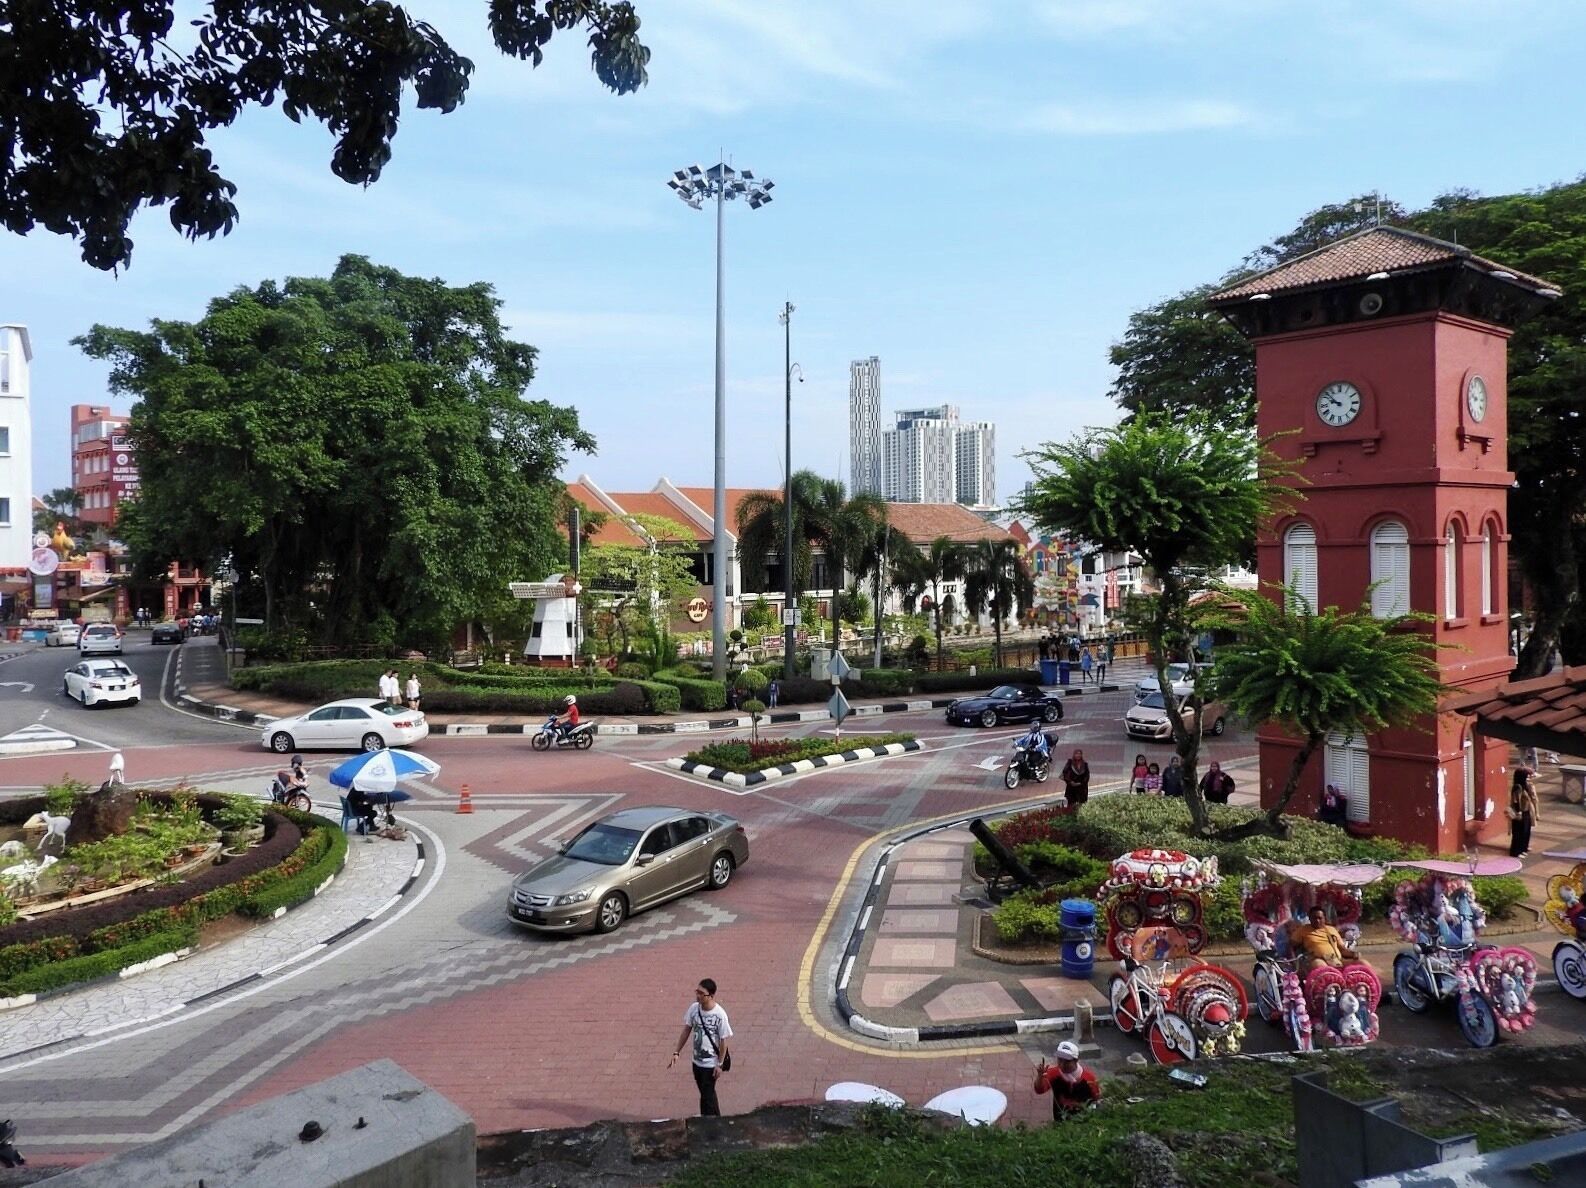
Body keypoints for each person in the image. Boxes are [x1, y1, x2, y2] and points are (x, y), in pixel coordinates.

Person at [669, 978, 732, 1117]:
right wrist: (676, 1052)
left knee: (707, 1095)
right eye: (697, 992)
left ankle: (711, 1124)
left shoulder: (720, 1015)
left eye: (701, 993)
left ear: (711, 996)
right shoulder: (694, 1009)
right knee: (706, 1094)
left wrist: (719, 1065)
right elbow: (686, 1030)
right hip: (696, 1062)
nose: (697, 995)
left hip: (710, 1064)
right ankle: (711, 1120)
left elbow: (723, 1042)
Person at [1032, 1040, 1101, 1120]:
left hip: (1083, 1121)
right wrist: (1040, 1076)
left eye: (1067, 1061)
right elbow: (1039, 1090)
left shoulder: (1089, 1078)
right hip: (1060, 1121)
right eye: (1060, 1060)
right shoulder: (1053, 1073)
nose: (1062, 1065)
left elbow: (1097, 1099)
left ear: (1076, 1060)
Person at [1289, 906, 1358, 972]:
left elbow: (1342, 949)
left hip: (1338, 960)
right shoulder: (1303, 930)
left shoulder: (1332, 929)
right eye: (1314, 918)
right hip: (1318, 960)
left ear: (1324, 918)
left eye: (1320, 918)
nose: (1317, 920)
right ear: (1309, 918)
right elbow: (1291, 946)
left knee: (1363, 963)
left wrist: (1353, 954)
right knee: (1322, 967)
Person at [1508, 766, 1539, 858]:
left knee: (1526, 831)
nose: (1528, 777)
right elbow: (1516, 801)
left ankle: (1523, 848)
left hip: (1526, 811)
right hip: (1520, 812)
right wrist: (1519, 812)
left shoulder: (1526, 785)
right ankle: (1516, 851)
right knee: (1518, 833)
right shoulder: (1518, 787)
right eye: (1526, 776)